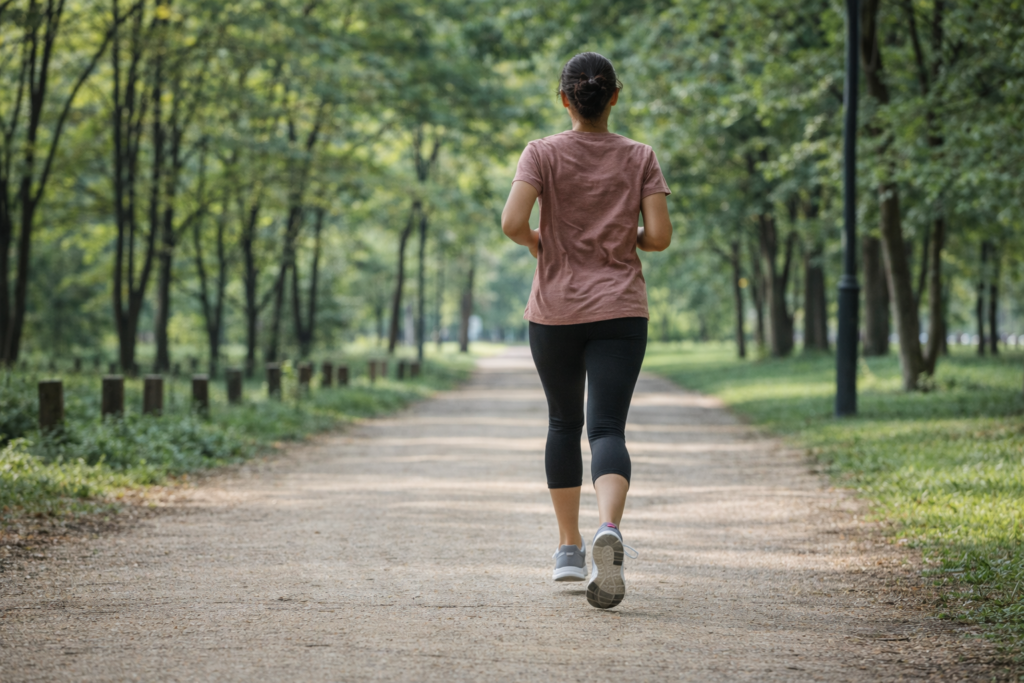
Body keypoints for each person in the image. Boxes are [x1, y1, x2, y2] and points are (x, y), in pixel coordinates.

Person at [500, 52, 673, 609]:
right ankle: (610, 529)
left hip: (555, 310)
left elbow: (511, 222)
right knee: (606, 429)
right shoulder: (640, 156)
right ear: (614, 96)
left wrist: (536, 242)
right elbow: (660, 236)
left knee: (562, 421)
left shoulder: (541, 153)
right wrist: (629, 242)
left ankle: (569, 550)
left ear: (565, 99)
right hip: (621, 310)